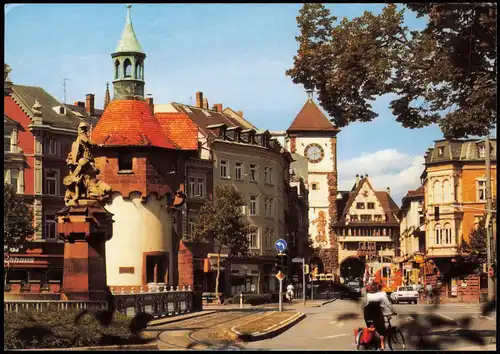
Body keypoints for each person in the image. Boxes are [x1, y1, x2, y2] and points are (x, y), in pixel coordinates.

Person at [362, 282, 396, 350]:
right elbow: (388, 304)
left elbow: (363, 305)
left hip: (367, 315)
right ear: (379, 288)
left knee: (371, 329)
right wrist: (393, 311)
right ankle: (382, 346)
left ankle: (372, 344)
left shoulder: (367, 295)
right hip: (376, 315)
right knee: (381, 331)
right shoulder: (382, 294)